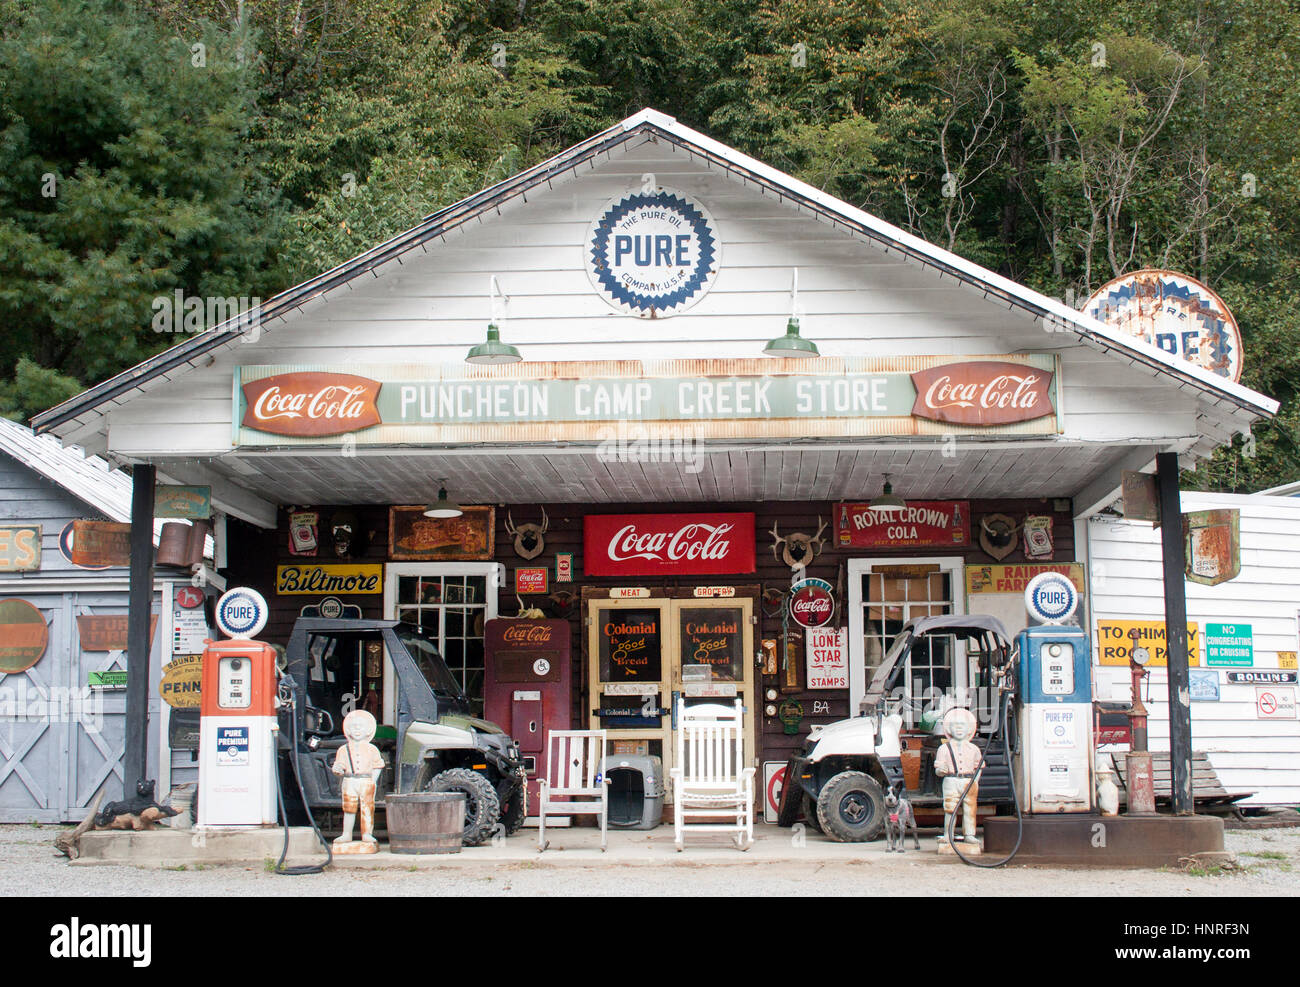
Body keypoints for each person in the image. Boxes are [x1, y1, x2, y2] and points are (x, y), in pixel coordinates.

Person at [332, 709, 385, 850]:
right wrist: (338, 769)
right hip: (349, 781)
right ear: (348, 730)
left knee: (367, 808)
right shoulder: (343, 749)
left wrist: (372, 781)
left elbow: (378, 765)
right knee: (349, 808)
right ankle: (346, 834)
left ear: (368, 730)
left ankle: (367, 834)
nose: (357, 730)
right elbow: (339, 765)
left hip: (366, 781)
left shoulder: (372, 749)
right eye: (354, 727)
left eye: (360, 727)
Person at [934, 707, 982, 852]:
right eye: (955, 725)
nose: (959, 729)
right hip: (951, 781)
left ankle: (969, 835)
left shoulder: (974, 749)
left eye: (963, 725)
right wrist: (940, 771)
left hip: (968, 781)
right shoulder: (943, 749)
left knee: (970, 809)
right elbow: (938, 769)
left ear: (969, 729)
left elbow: (978, 767)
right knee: (950, 808)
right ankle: (948, 835)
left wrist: (975, 781)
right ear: (949, 729)